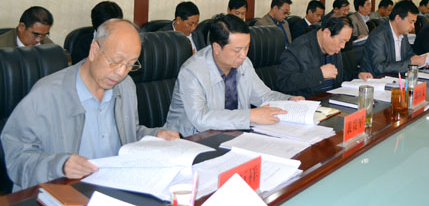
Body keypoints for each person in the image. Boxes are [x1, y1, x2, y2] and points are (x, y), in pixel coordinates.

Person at [1, 19, 179, 191]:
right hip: (65, 190)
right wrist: (60, 165)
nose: (121, 73)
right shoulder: (47, 94)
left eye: (130, 65)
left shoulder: (125, 87)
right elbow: (16, 156)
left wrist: (155, 135)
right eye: (116, 62)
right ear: (94, 50)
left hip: (114, 185)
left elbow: (127, 134)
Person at [165, 14, 304, 136]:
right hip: (189, 139)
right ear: (217, 48)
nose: (243, 55)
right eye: (237, 50)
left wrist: (289, 100)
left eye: (247, 47)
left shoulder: (243, 63)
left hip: (232, 134)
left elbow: (263, 96)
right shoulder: (192, 72)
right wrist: (249, 116)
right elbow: (201, 119)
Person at [278, 17, 372, 96]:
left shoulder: (333, 48)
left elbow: (339, 75)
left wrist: (357, 75)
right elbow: (283, 83)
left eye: (345, 42)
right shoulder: (298, 48)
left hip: (332, 99)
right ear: (327, 33)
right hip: (310, 103)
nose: (343, 46)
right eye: (341, 41)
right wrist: (319, 74)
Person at [361, 0, 427, 75]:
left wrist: (421, 61)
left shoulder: (403, 34)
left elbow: (409, 54)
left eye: (414, 23)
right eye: (411, 22)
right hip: (376, 79)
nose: (413, 26)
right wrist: (410, 62)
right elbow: (379, 67)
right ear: (398, 18)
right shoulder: (379, 36)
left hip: (397, 78)